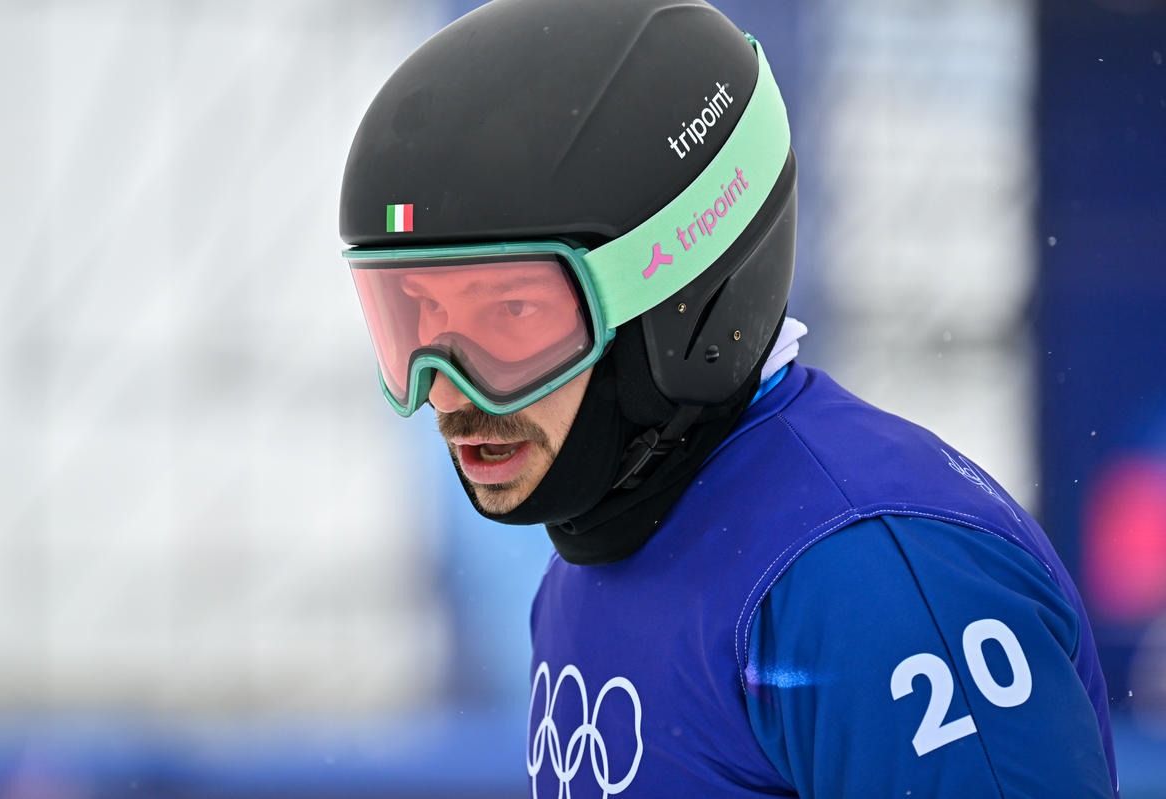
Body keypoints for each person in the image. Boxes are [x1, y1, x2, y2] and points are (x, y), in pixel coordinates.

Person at [338, 0, 1119, 796]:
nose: (446, 390)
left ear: (674, 305)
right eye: (414, 316)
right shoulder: (595, 561)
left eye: (510, 313)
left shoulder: (872, 581)